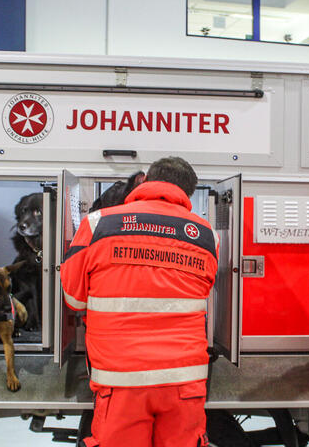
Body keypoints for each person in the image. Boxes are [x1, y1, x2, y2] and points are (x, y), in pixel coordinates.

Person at [60, 157, 218, 447]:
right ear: (187, 192)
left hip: (121, 378)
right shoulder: (206, 235)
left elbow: (74, 298)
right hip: (184, 379)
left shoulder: (97, 224)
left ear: (145, 180)